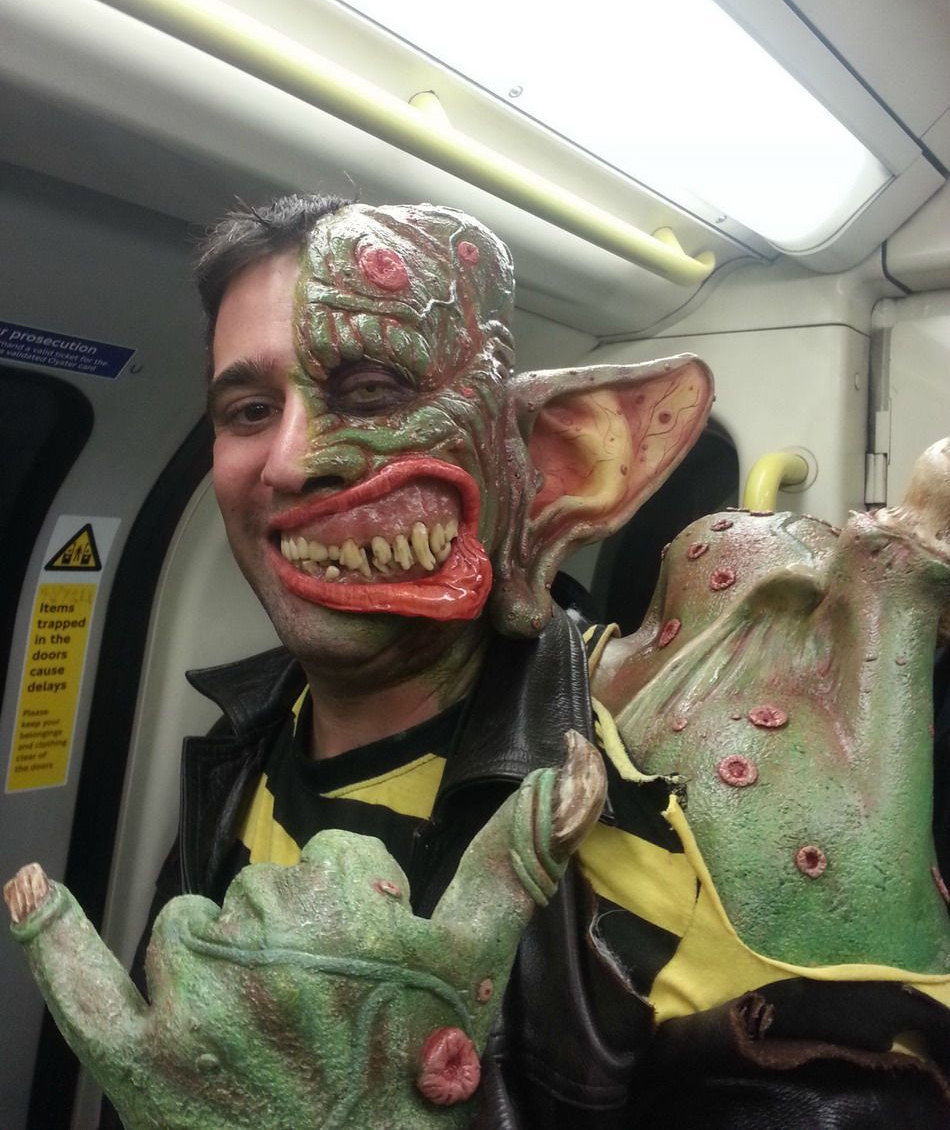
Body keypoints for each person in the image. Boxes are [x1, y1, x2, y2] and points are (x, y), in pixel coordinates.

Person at [129, 194, 949, 1127]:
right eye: (248, 409)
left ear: (552, 463)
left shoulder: (685, 818)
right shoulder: (237, 748)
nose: (288, 460)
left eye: (371, 392)